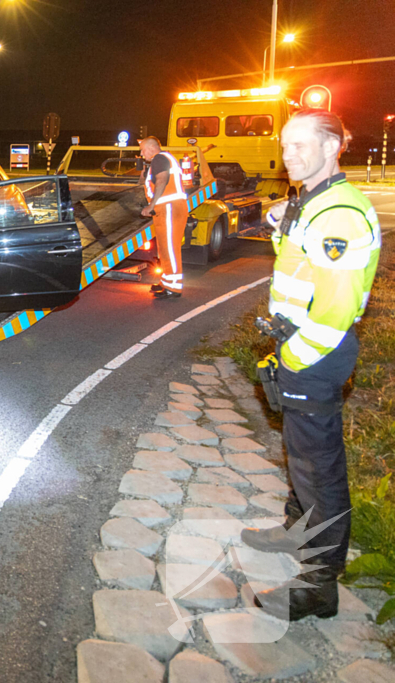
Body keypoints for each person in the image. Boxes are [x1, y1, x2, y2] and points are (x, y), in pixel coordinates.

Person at [242, 109, 381, 622]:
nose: (289, 154)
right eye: (285, 145)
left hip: (315, 352)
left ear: (334, 146)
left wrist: (291, 359)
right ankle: (295, 530)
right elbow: (301, 269)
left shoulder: (338, 214)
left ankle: (320, 584)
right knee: (301, 455)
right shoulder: (312, 202)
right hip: (304, 347)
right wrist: (284, 224)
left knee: (318, 468)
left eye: (302, 145)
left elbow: (337, 305)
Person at [139, 137, 188, 298]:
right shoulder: (163, 159)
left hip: (168, 207)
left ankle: (173, 288)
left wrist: (151, 205)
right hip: (168, 207)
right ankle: (166, 281)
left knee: (170, 248)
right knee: (165, 248)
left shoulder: (160, 159)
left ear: (152, 149)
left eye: (142, 150)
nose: (141, 153)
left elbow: (162, 180)